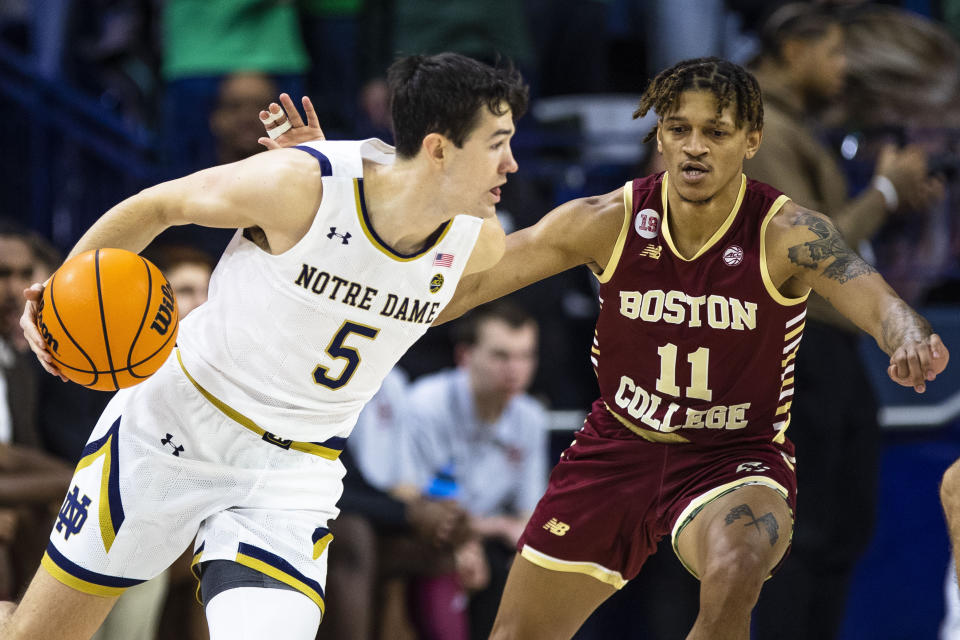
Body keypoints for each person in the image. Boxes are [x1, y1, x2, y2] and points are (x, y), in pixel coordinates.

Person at [259, 56, 948, 640]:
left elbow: (866, 291)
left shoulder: (785, 230)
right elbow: (458, 293)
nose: (694, 147)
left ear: (751, 138)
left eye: (716, 131)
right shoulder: (606, 220)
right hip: (617, 448)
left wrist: (907, 333)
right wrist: (331, 208)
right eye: (678, 129)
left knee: (737, 567)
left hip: (734, 457)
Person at [1, 52, 527, 640]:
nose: (510, 163)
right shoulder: (299, 185)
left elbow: (383, 267)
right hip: (176, 426)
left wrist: (342, 218)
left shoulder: (477, 243)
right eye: (496, 144)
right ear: (437, 149)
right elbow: (156, 207)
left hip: (291, 471)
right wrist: (57, 301)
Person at [742, 5, 945, 638]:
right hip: (786, 352)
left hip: (825, 350)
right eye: (832, 52)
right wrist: (881, 193)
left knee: (840, 528)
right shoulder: (760, 128)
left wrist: (891, 197)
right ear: (793, 50)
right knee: (799, 536)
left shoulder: (798, 124)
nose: (843, 68)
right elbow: (809, 255)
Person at [399, 300, 548, 639]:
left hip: (488, 538)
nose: (516, 369)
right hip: (430, 535)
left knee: (526, 567)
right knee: (456, 562)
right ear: (465, 356)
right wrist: (475, 537)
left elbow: (529, 514)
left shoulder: (530, 418)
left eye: (526, 356)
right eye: (501, 356)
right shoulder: (426, 403)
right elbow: (414, 500)